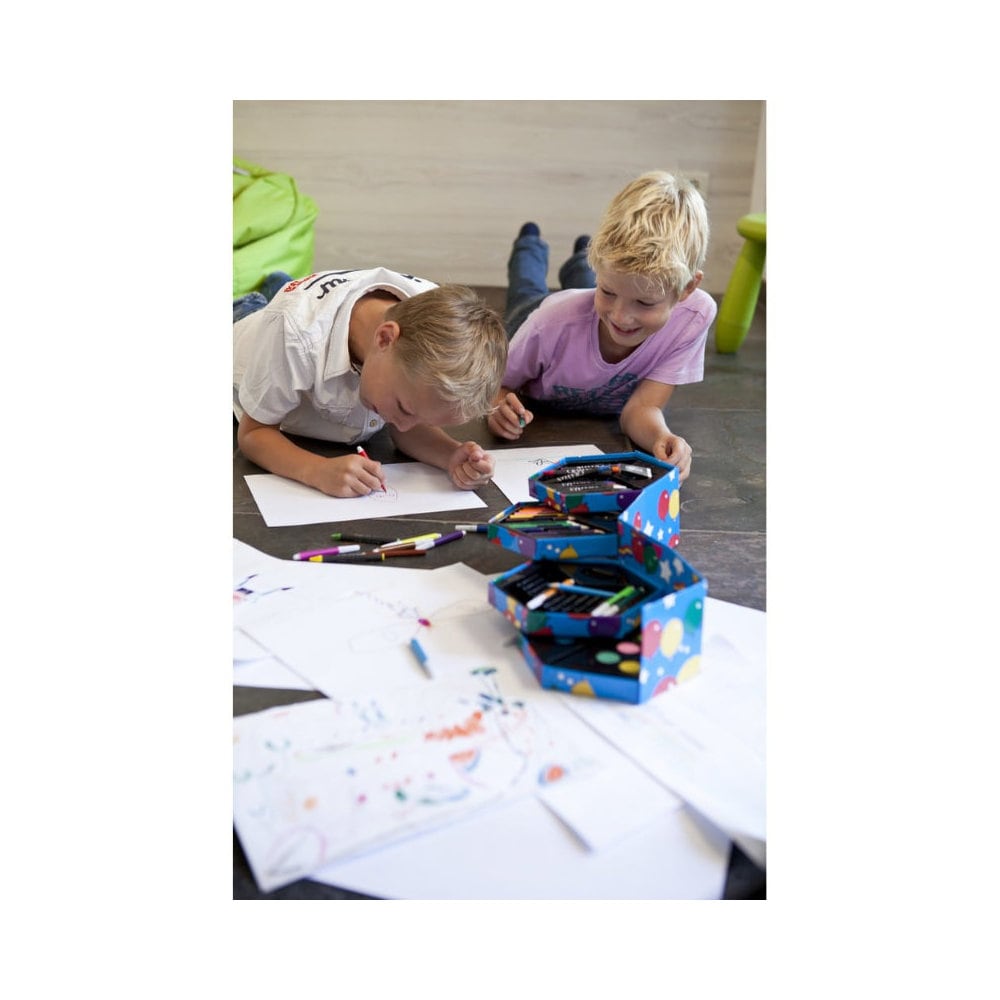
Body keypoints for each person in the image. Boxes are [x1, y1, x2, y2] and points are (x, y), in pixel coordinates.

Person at [487, 171, 717, 482]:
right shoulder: (549, 322)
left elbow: (641, 408)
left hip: (584, 311)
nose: (622, 317)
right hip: (537, 315)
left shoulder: (694, 316)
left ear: (687, 288)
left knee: (597, 299)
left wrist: (661, 437)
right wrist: (498, 408)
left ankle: (581, 258)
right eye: (606, 290)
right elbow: (494, 386)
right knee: (527, 287)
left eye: (645, 303)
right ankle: (529, 242)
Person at [234, 267, 508, 497]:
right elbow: (254, 434)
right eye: (403, 408)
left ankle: (278, 282)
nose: (403, 426)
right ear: (385, 339)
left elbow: (407, 429)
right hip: (243, 336)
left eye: (420, 418)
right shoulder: (293, 334)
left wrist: (450, 454)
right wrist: (316, 470)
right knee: (251, 307)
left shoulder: (431, 325)